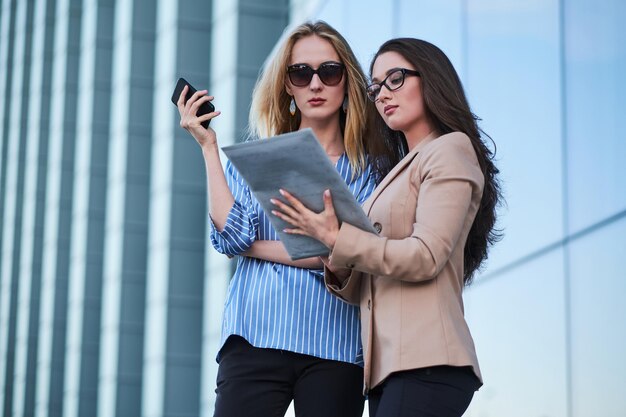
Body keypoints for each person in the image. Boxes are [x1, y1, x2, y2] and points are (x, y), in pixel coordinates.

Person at [271, 37, 502, 417]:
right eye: (375, 87)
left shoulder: (450, 148)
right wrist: (334, 253)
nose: (382, 95)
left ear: (431, 79)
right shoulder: (395, 171)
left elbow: (425, 256)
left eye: (395, 79)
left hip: (428, 361)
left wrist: (338, 237)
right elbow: (374, 280)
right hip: (389, 371)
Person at [177, 21, 392, 417]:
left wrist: (256, 249)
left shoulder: (371, 171)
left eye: (329, 72)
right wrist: (209, 148)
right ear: (288, 86)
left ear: (346, 83)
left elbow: (346, 251)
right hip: (254, 335)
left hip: (336, 344)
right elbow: (230, 236)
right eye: (301, 73)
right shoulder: (257, 157)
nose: (315, 84)